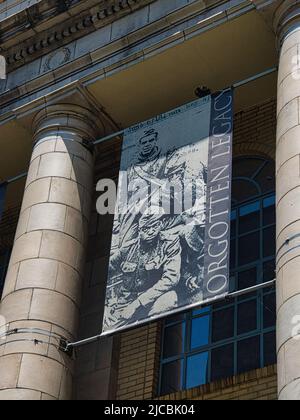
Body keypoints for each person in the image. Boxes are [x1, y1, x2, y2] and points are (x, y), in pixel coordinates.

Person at [104, 209, 182, 329]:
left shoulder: (169, 243)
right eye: (146, 229)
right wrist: (106, 307)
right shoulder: (128, 248)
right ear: (139, 230)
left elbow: (171, 278)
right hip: (125, 303)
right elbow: (105, 272)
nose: (151, 232)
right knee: (109, 329)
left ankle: (153, 332)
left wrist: (137, 303)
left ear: (160, 225)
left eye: (155, 226)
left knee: (169, 300)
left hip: (154, 298)